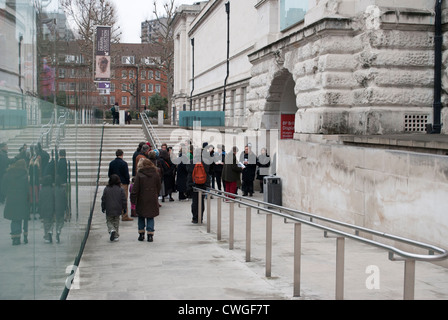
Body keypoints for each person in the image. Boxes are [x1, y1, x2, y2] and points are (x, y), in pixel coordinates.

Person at [130, 158, 161, 242]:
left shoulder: (139, 174)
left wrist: (133, 199)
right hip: (152, 197)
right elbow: (159, 186)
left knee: (141, 215)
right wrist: (156, 194)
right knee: (150, 216)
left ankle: (141, 233)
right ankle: (150, 234)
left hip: (141, 198)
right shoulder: (155, 173)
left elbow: (135, 189)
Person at [2, 159, 30, 245]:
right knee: (20, 217)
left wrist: (6, 195)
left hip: (11, 199)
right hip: (22, 199)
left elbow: (3, 188)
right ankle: (19, 236)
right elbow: (27, 189)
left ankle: (15, 237)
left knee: (14, 218)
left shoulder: (8, 174)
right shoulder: (25, 176)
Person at [187, 146, 210, 223]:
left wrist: (189, 185)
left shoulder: (191, 161)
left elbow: (189, 173)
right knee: (201, 201)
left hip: (194, 184)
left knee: (195, 201)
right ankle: (201, 217)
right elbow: (209, 172)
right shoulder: (206, 162)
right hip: (203, 184)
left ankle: (195, 218)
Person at [108, 149, 132, 221]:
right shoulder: (124, 163)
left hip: (114, 184)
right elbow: (126, 174)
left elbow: (109, 174)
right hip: (123, 183)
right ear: (122, 154)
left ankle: (115, 215)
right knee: (124, 199)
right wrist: (127, 182)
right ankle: (124, 215)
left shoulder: (111, 163)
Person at [101, 174, 127, 242]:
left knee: (109, 221)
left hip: (109, 208)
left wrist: (103, 207)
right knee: (116, 221)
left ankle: (111, 229)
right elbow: (124, 199)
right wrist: (124, 208)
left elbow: (103, 199)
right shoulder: (121, 189)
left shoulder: (106, 189)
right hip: (118, 208)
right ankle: (116, 236)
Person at [39, 175, 55, 243]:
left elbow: (40, 200)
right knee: (51, 221)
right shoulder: (52, 190)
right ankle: (50, 231)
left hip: (44, 208)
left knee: (46, 223)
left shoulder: (41, 190)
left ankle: (47, 235)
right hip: (51, 207)